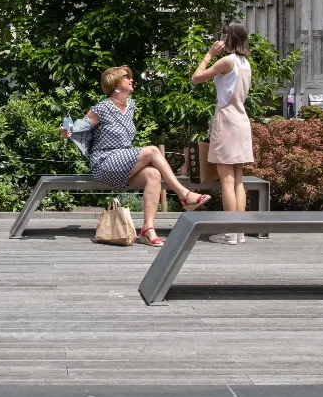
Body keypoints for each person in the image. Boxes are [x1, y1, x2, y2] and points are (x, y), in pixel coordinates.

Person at [63, 66, 210, 247]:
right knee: (152, 150)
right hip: (105, 161)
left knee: (154, 175)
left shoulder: (130, 105)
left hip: (123, 161)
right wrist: (68, 132)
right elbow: (80, 128)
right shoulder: (102, 107)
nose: (131, 80)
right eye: (126, 77)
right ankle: (184, 194)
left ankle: (148, 229)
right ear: (115, 83)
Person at [192, 22, 255, 245]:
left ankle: (229, 233)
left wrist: (209, 53)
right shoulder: (245, 63)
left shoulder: (226, 61)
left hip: (227, 119)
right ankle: (238, 232)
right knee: (238, 179)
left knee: (226, 180)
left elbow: (196, 77)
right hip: (241, 121)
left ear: (229, 37)